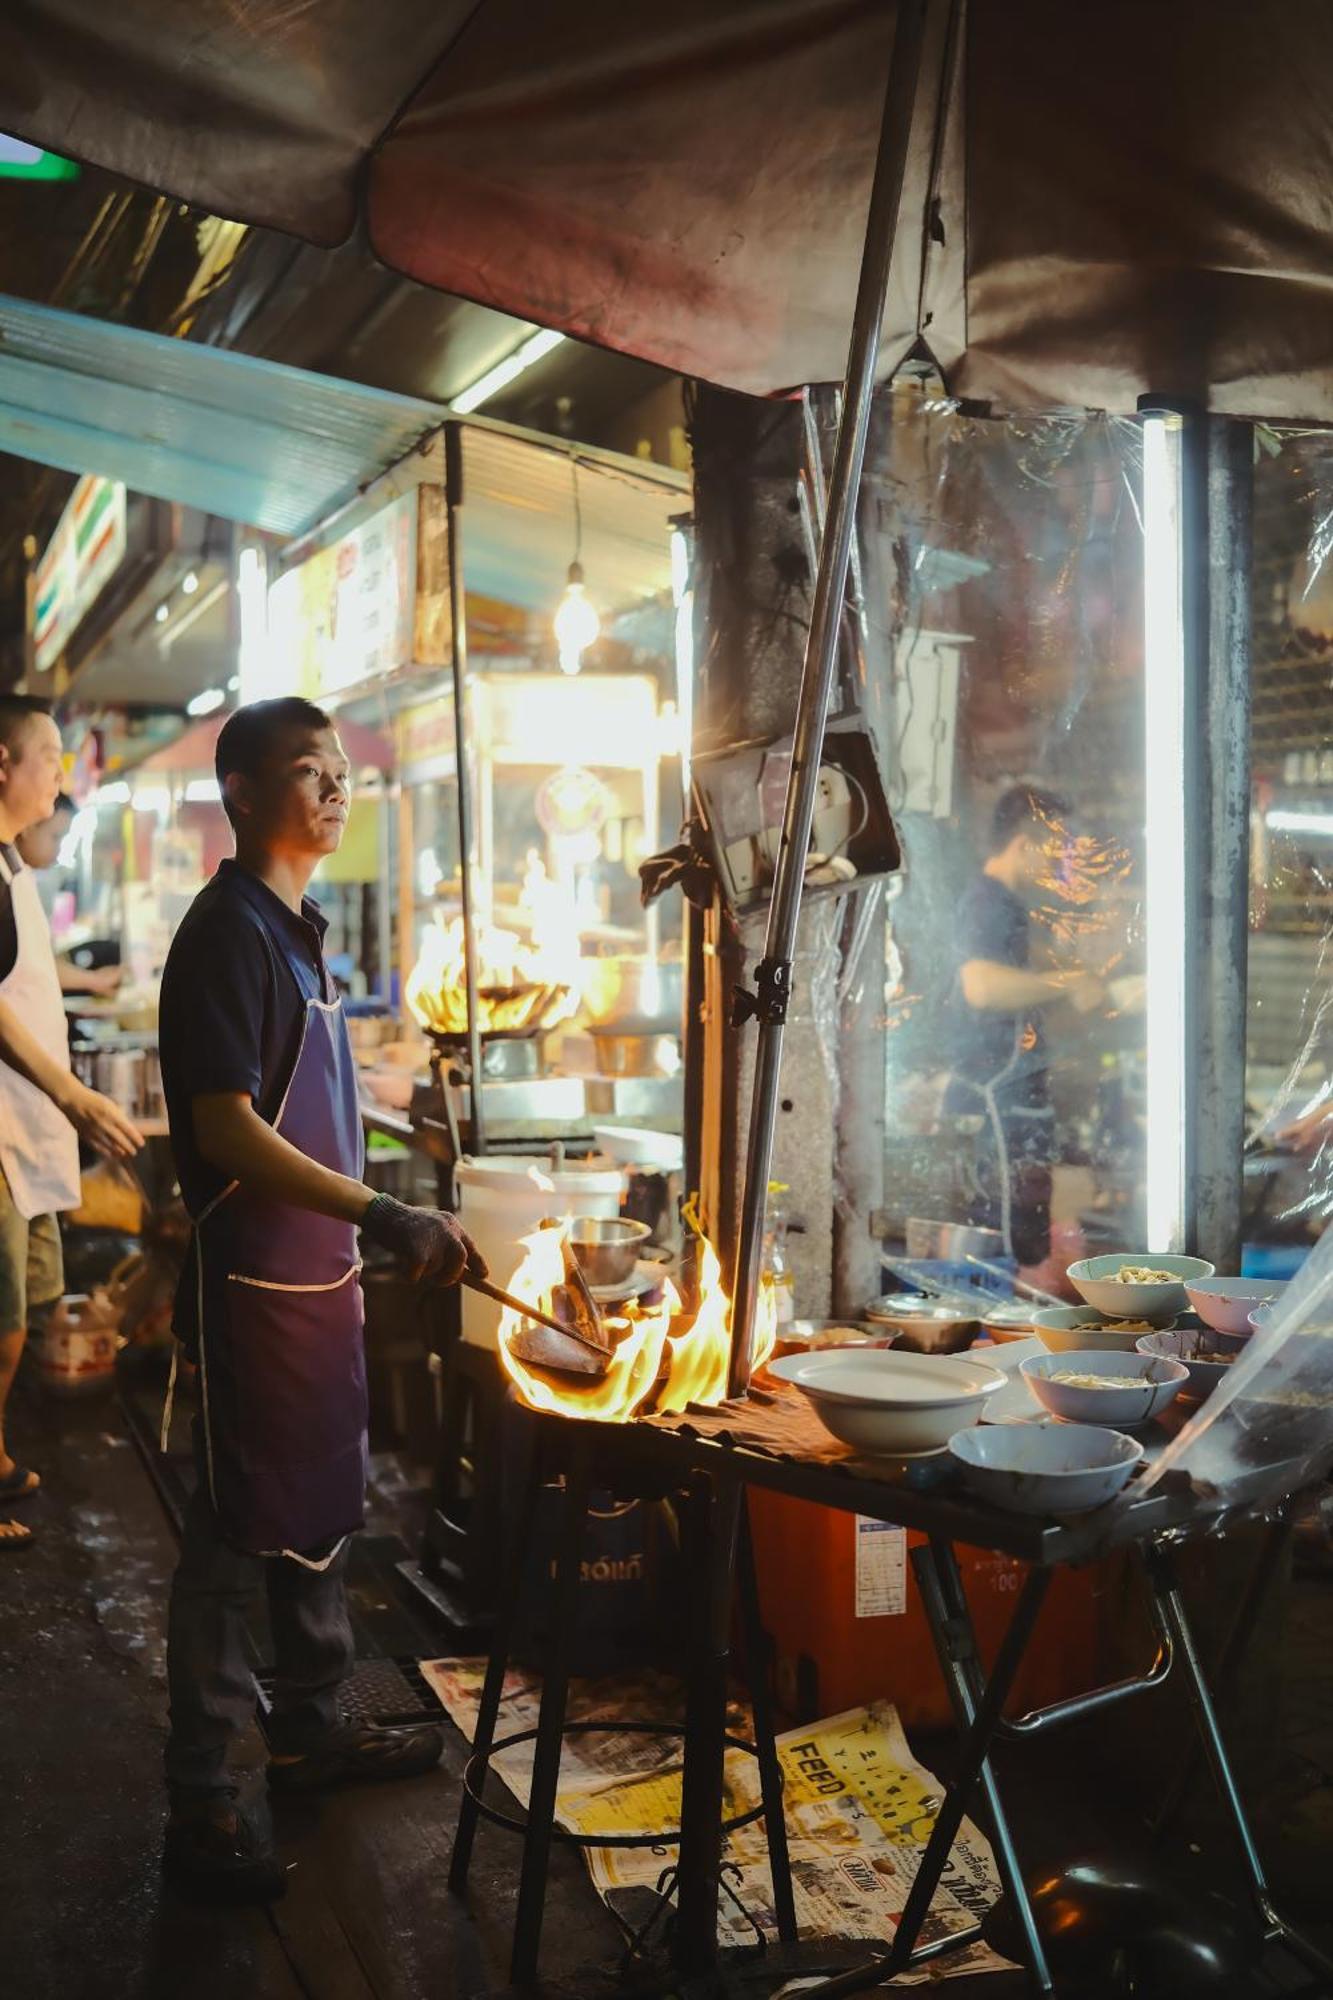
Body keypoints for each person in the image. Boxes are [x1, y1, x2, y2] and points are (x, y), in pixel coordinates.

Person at [157, 696, 485, 1903]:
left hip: (320, 1280)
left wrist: (364, 1227)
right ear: (241, 790)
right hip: (253, 1281)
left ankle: (307, 1729)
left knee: (319, 1510)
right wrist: (376, 1208)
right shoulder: (227, 932)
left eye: (343, 773)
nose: (337, 791)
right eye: (311, 772)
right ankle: (202, 1790)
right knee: (236, 1532)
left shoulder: (301, 927)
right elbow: (222, 1124)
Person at [0, 704, 143, 1553]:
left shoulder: (13, 870)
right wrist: (76, 1095)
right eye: (50, 757)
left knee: (26, 1308)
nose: (61, 775)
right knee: (4, 1319)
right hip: (5, 1132)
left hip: (25, 1131)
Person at [943, 785, 1106, 1272]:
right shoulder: (987, 901)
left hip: (1012, 1110)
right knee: (993, 1252)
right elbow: (982, 986)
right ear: (1024, 843)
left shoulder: (1011, 907)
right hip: (994, 1113)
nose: (1061, 867)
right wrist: (1069, 981)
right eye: (1056, 849)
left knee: (1014, 1248)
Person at [17, 792, 122, 997]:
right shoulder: (10, 882)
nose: (58, 849)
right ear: (28, 828)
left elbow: (39, 964)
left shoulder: (24, 879)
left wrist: (95, 980)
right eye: (55, 836)